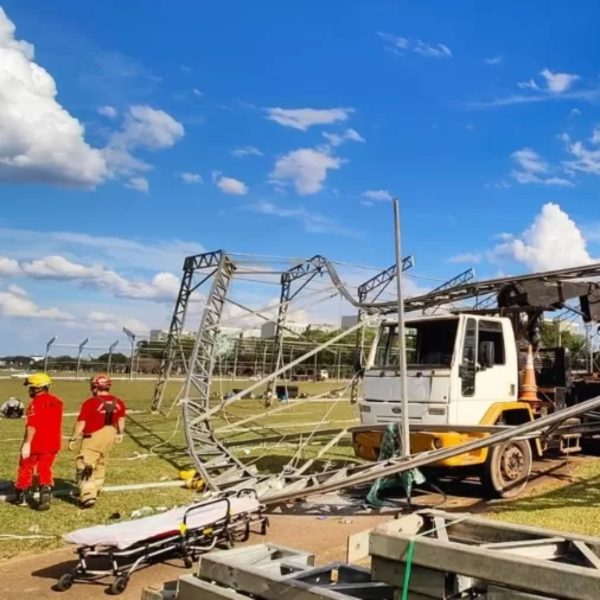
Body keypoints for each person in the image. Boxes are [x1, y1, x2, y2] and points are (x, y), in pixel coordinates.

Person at [69, 374, 126, 508]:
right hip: (110, 433)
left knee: (85, 464)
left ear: (95, 387)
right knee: (101, 462)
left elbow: (81, 423)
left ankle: (88, 495)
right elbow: (121, 420)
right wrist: (120, 433)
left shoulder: (91, 402)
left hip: (93, 435)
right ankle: (97, 487)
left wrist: (74, 437)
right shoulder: (119, 402)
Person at [11, 373, 63, 510]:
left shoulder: (35, 404)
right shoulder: (57, 401)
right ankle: (45, 490)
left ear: (37, 388)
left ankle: (21, 495)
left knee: (25, 467)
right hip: (52, 441)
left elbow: (32, 425)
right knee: (45, 468)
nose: (29, 390)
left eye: (31, 388)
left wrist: (27, 443)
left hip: (36, 442)